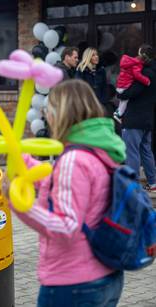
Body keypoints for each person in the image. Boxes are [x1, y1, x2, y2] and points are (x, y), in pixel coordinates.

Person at [9, 79, 125, 307]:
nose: (47, 117)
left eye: (48, 110)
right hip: (106, 276)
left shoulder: (73, 159)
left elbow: (66, 227)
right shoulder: (101, 147)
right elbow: (73, 186)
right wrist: (26, 163)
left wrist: (19, 204)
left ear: (61, 113)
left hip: (74, 284)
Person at [117, 45, 156, 192]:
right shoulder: (154, 71)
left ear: (142, 55)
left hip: (134, 119)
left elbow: (129, 93)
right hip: (147, 119)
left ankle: (132, 187)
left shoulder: (144, 73)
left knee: (131, 152)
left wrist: (120, 93)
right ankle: (153, 183)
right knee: (146, 150)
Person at [113, 45, 153, 123]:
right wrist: (147, 81)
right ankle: (119, 114)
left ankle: (118, 112)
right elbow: (137, 75)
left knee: (122, 101)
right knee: (125, 101)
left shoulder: (129, 62)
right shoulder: (137, 65)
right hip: (125, 86)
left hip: (120, 85)